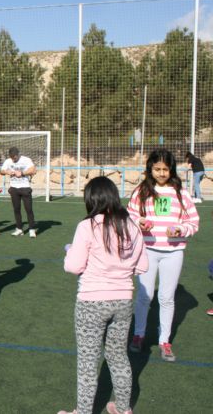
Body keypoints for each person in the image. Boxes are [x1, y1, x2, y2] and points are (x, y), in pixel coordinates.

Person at [58, 177, 148, 414]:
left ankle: (84, 411)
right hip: (123, 300)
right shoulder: (133, 225)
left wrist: (69, 251)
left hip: (92, 301)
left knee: (88, 362)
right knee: (119, 357)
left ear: (91, 200)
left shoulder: (88, 226)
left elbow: (73, 266)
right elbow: (142, 267)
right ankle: (123, 408)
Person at [127, 149, 199, 362]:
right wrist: (140, 221)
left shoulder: (181, 193)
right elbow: (130, 215)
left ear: (171, 170)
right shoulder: (141, 191)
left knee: (166, 298)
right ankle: (139, 335)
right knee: (144, 296)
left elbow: (193, 222)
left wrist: (180, 229)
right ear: (150, 168)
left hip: (173, 252)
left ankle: (164, 340)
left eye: (165, 169)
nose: (160, 173)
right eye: (156, 169)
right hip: (147, 250)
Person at [0, 147, 37, 238]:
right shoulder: (8, 161)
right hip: (14, 188)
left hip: (25, 188)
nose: (13, 159)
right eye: (12, 157)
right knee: (16, 209)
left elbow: (33, 170)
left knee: (28, 209)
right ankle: (19, 229)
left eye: (15, 157)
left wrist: (22, 173)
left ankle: (31, 229)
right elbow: (1, 171)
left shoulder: (26, 160)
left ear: (18, 154)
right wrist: (7, 172)